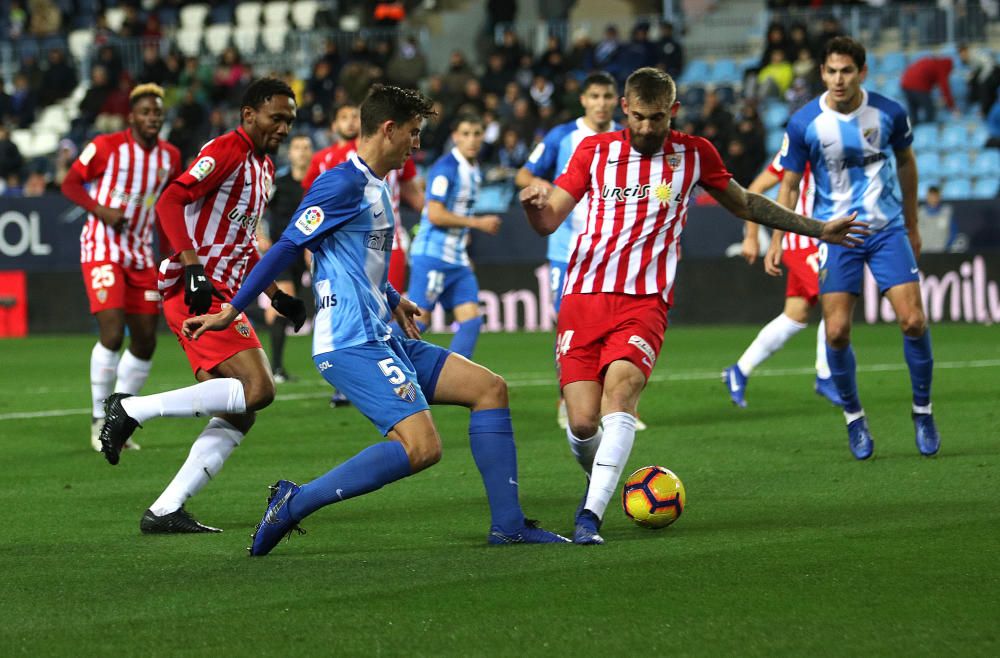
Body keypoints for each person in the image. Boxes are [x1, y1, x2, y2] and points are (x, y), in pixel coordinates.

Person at [183, 84, 568, 555]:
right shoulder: (341, 183)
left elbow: (354, 261)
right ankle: (294, 501)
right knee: (421, 447)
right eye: (413, 132)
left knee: (490, 389)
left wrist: (394, 297)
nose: (418, 144)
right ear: (388, 129)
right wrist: (232, 310)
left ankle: (508, 525)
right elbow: (287, 244)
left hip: (383, 333)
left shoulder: (376, 185)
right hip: (350, 343)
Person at [520, 67, 864, 544]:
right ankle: (598, 476)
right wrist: (534, 204)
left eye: (656, 118)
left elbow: (745, 203)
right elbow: (549, 220)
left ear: (673, 112)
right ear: (625, 108)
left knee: (619, 398)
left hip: (645, 302)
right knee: (581, 423)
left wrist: (816, 227)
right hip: (582, 298)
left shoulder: (695, 154)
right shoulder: (593, 151)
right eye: (638, 117)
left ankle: (589, 518)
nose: (645, 127)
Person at [98, 78, 306, 533]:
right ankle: (133, 409)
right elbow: (170, 199)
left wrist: (274, 295)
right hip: (197, 291)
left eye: (290, 120)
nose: (284, 127)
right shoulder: (227, 150)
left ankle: (165, 510)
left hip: (222, 293)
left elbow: (242, 241)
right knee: (261, 389)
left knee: (240, 411)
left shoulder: (263, 167)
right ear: (249, 114)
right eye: (277, 117)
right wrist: (192, 267)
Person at [775, 36, 940, 460]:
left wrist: (914, 224)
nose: (838, 79)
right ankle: (854, 418)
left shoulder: (889, 112)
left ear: (862, 72)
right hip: (835, 235)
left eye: (846, 71)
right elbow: (790, 183)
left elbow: (906, 162)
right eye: (831, 71)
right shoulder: (804, 122)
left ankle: (922, 410)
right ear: (822, 73)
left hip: (886, 231)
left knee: (914, 322)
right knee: (836, 331)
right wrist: (776, 236)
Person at [60, 83, 181, 451]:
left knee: (145, 339)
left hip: (141, 254)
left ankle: (119, 418)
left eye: (157, 112)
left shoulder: (169, 157)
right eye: (146, 112)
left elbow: (167, 208)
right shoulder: (107, 146)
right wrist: (101, 210)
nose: (152, 118)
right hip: (102, 248)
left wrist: (170, 253)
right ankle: (99, 418)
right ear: (132, 116)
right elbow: (70, 183)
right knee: (112, 334)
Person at [514, 71, 627, 430]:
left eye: (607, 96)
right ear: (583, 100)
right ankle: (568, 399)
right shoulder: (563, 136)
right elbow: (523, 175)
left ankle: (617, 406)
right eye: (594, 96)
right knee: (570, 326)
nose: (601, 103)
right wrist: (544, 185)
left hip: (612, 249)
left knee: (616, 328)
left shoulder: (626, 137)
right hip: (568, 249)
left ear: (617, 101)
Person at [302, 101, 424, 405]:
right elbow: (308, 211)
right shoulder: (329, 162)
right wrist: (309, 249)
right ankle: (359, 376)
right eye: (342, 117)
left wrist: (431, 219)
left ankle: (384, 373)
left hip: (389, 243)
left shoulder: (393, 155)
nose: (349, 122)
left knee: (383, 309)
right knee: (350, 311)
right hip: (345, 248)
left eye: (353, 116)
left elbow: (412, 191)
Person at [722, 152, 843, 409]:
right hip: (802, 241)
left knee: (795, 315)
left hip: (823, 240)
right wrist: (752, 235)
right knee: (833, 298)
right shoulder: (797, 149)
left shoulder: (836, 144)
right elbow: (756, 188)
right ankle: (825, 375)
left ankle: (740, 370)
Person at [408, 114, 501, 359]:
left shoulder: (474, 169)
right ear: (455, 136)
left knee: (470, 320)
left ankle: (453, 377)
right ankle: (379, 363)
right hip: (433, 255)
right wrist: (477, 223)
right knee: (419, 320)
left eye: (477, 133)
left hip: (456, 259)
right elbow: (436, 214)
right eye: (466, 134)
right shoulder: (446, 168)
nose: (472, 139)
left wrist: (463, 244)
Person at [259, 133, 313, 383]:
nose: (302, 152)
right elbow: (257, 208)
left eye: (306, 147)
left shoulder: (317, 183)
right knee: (282, 306)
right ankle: (275, 368)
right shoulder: (279, 183)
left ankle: (274, 368)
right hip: (283, 251)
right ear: (290, 154)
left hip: (309, 252)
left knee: (285, 310)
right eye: (297, 147)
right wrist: (259, 235)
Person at [899, 55, 957, 124]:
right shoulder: (942, 67)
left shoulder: (931, 62)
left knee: (914, 114)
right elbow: (945, 88)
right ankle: (927, 129)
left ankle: (916, 131)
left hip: (905, 84)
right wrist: (952, 107)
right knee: (930, 112)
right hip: (917, 86)